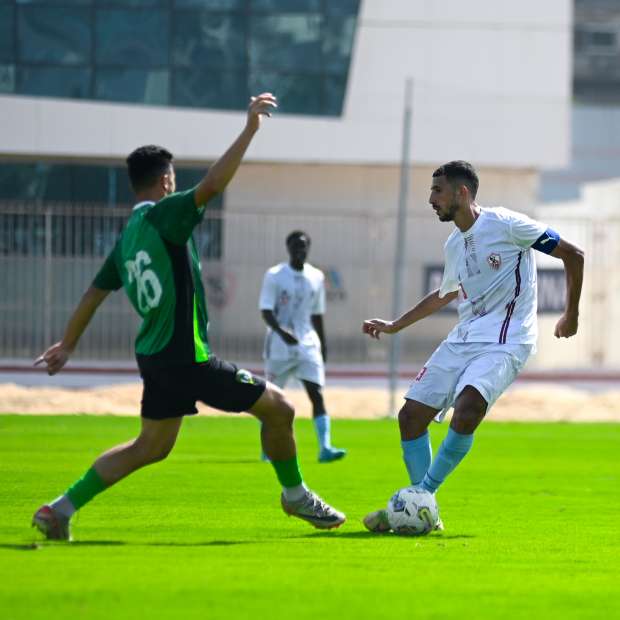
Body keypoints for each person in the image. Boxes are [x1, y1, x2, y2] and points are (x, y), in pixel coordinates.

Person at [31, 93, 345, 541]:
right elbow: (213, 184)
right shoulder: (166, 215)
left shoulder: (128, 237)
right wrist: (250, 130)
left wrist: (67, 345)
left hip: (154, 356)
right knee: (280, 410)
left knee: (150, 446)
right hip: (185, 356)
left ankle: (59, 509)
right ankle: (295, 496)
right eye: (174, 180)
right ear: (165, 181)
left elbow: (92, 294)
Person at [362, 160, 584, 532]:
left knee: (468, 408)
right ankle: (423, 508)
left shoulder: (507, 224)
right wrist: (395, 325)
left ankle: (421, 497)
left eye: (437, 191)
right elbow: (445, 293)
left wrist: (571, 314)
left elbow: (573, 255)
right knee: (410, 416)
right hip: (464, 337)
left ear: (461, 193)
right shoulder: (454, 243)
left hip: (507, 340)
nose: (431, 199)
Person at [259, 231, 346, 463]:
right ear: (288, 248)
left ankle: (325, 447)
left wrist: (323, 344)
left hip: (308, 344)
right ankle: (267, 449)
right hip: (279, 346)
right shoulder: (275, 275)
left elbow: (317, 314)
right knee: (271, 399)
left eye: (304, 246)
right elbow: (266, 310)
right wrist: (282, 332)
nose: (300, 250)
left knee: (316, 393)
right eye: (296, 246)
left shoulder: (316, 276)